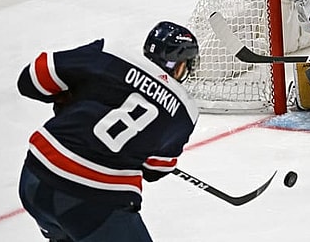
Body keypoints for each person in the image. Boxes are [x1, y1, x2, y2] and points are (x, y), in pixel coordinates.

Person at [17, 21, 201, 241]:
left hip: (34, 179)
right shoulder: (184, 112)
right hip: (92, 202)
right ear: (180, 66)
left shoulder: (109, 54)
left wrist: (69, 98)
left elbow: (31, 79)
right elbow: (155, 169)